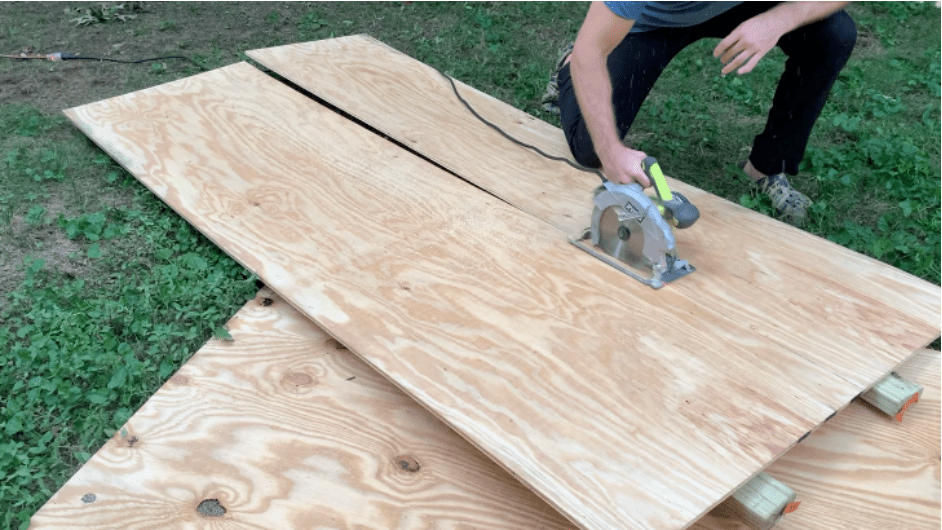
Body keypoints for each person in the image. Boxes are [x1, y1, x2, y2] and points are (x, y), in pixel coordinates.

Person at [547, 1, 856, 226]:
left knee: (834, 33)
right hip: (656, 18)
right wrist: (611, 151)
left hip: (739, 6)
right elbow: (592, 51)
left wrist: (779, 18)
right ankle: (568, 68)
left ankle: (767, 166)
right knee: (592, 149)